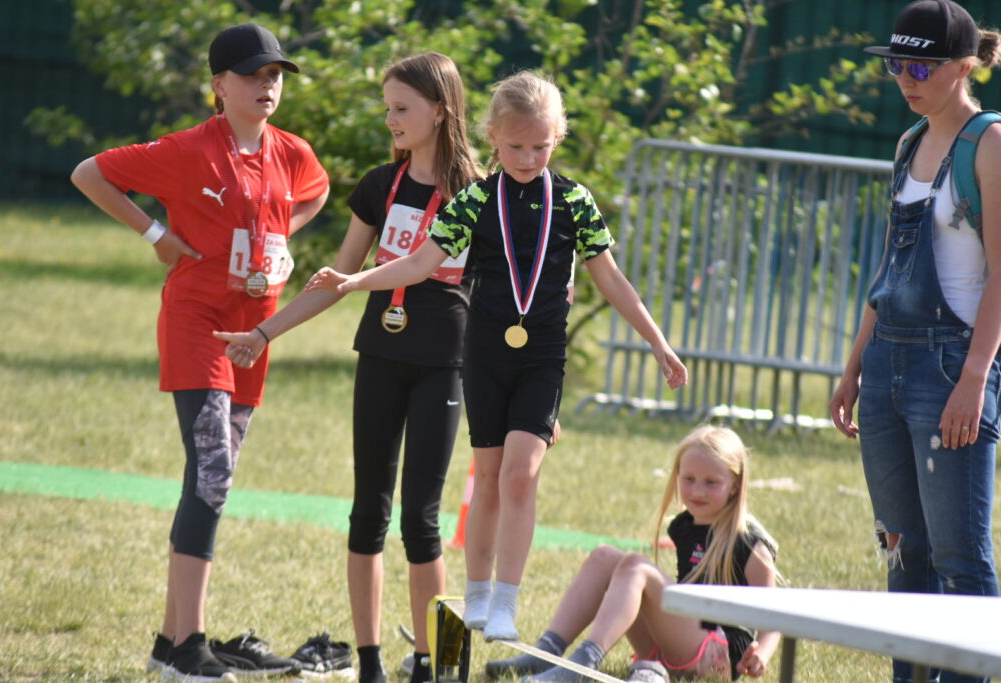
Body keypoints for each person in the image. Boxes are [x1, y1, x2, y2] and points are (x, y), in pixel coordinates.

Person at [306, 70, 688, 643]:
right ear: (493, 137)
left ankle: (507, 601)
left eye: (541, 146)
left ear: (559, 137)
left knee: (520, 473)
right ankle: (480, 593)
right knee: (487, 476)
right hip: (483, 354)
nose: (528, 158)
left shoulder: (574, 201)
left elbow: (611, 280)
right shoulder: (476, 199)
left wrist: (659, 343)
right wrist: (355, 280)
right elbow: (420, 262)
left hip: (542, 357)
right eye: (515, 147)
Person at [70, 22, 330, 682]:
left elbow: (318, 190)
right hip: (198, 325)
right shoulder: (189, 149)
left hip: (254, 334)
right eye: (253, 74)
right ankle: (189, 648)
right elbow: (89, 173)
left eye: (275, 75)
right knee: (213, 474)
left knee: (212, 476)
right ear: (219, 84)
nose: (267, 85)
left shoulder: (292, 151)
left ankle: (170, 642)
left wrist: (281, 230)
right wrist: (155, 232)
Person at [213, 53, 483, 683]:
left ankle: (436, 662)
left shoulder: (481, 192)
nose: (390, 120)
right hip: (382, 357)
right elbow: (337, 280)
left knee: (422, 520)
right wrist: (262, 333)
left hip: (445, 365)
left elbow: (505, 291)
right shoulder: (379, 184)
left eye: (402, 108)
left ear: (440, 110)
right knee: (368, 513)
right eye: (387, 108)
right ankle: (369, 663)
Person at [828, 2, 1001, 682]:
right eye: (897, 64)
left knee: (961, 560)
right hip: (887, 364)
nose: (906, 78)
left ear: (964, 67)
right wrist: (854, 367)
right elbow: (889, 269)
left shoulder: (990, 143)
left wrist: (975, 378)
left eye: (922, 67)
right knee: (903, 553)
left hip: (951, 367)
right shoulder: (906, 144)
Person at [485, 424, 780, 683]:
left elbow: (777, 612)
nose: (697, 491)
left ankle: (583, 664)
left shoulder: (748, 541)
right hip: (679, 641)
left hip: (719, 657)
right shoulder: (684, 526)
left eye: (711, 482)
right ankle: (545, 653)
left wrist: (762, 654)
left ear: (735, 485)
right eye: (688, 479)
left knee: (636, 567)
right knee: (604, 556)